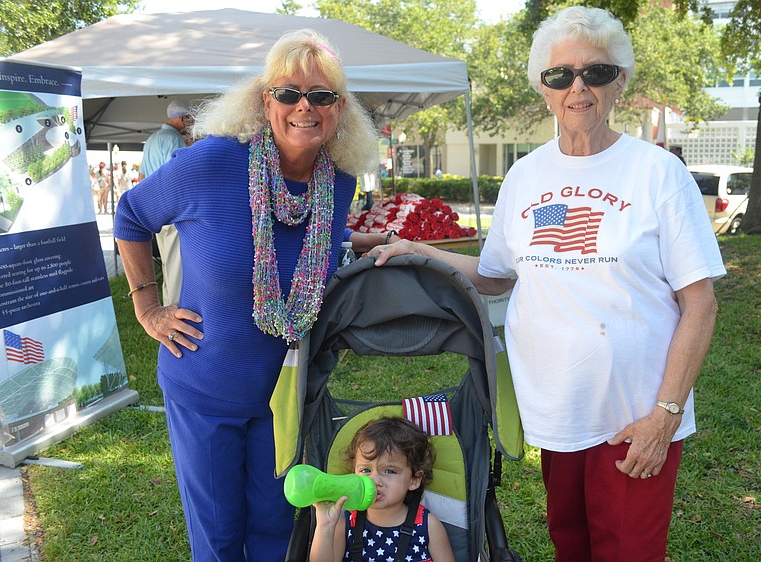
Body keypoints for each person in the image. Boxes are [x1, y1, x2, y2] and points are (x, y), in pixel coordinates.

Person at [368, 6, 725, 561]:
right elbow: (492, 278)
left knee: (628, 552)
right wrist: (419, 250)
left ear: (620, 82)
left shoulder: (657, 172)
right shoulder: (526, 175)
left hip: (633, 415)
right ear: (543, 87)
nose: (577, 87)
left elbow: (700, 304)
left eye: (596, 72)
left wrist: (665, 415)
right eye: (561, 75)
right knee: (571, 547)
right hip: (557, 411)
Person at [114, 29, 379, 561]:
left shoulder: (339, 180)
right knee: (217, 539)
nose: (304, 106)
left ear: (339, 109)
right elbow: (131, 215)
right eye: (288, 93)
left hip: (286, 393)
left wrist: (365, 241)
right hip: (206, 387)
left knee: (276, 534)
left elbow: (306, 234)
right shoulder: (213, 161)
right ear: (265, 101)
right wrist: (147, 306)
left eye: (321, 96)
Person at [310, 417, 455, 562]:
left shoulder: (427, 526)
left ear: (414, 480)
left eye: (389, 471)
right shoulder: (345, 526)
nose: (375, 481)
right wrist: (325, 526)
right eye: (366, 470)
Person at [138, 99, 193, 306]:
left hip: (154, 212)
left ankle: (168, 307)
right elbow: (180, 178)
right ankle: (176, 313)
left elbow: (141, 177)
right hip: (172, 211)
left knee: (167, 266)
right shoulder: (173, 139)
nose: (190, 123)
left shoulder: (152, 139)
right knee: (176, 268)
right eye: (189, 119)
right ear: (181, 118)